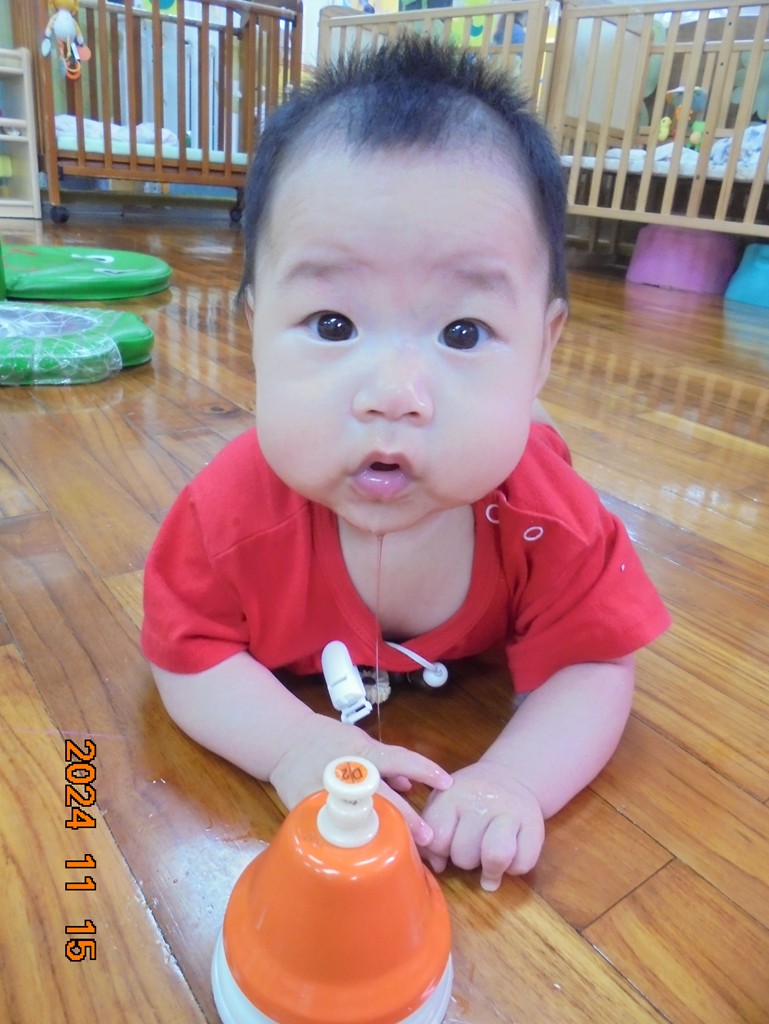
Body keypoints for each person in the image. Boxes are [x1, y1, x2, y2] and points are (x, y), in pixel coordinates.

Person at [142, 36, 670, 892]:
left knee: (526, 448)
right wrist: (294, 743)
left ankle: (528, 422)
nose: (393, 394)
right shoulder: (224, 519)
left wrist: (513, 780)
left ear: (544, 348)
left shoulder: (554, 522)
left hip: (518, 464)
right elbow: (187, 651)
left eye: (463, 332)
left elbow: (594, 660)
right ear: (253, 329)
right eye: (333, 325)